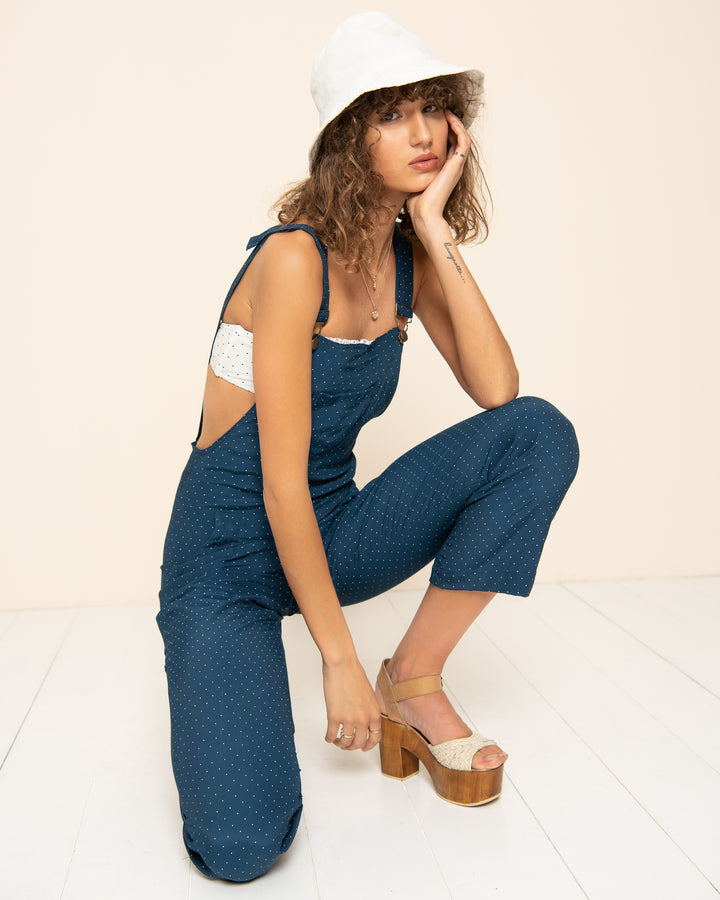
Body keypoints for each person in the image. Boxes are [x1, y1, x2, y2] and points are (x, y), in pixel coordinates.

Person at [157, 11, 579, 884]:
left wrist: (434, 228)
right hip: (227, 561)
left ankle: (413, 681)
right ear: (349, 139)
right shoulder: (291, 259)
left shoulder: (406, 259)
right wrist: (337, 658)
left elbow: (498, 393)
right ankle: (308, 673)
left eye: (432, 109)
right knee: (241, 847)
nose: (423, 134)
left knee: (538, 432)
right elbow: (279, 484)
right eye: (391, 114)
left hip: (333, 533)